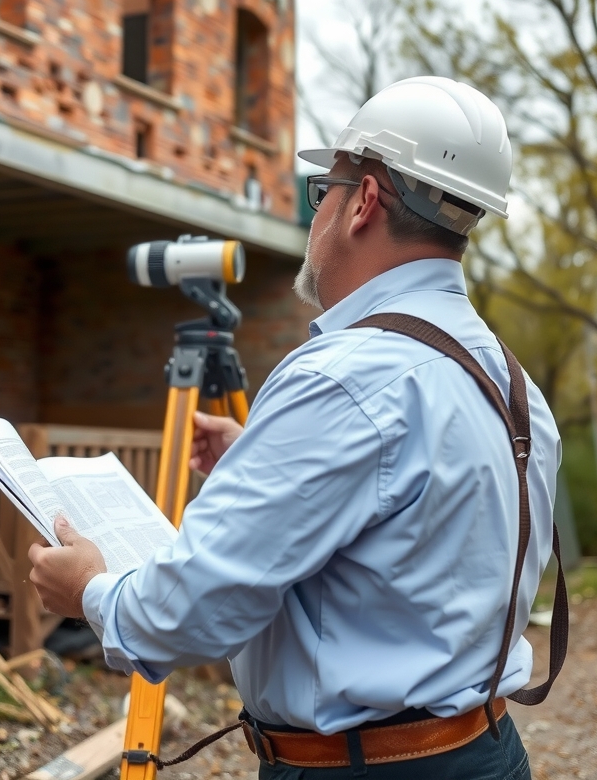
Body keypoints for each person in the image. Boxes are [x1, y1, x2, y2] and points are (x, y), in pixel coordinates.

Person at [30, 77, 561, 779]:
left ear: (363, 201)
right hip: (486, 754)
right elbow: (418, 544)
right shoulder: (510, 382)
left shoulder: (340, 378)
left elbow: (185, 615)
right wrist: (264, 462)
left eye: (322, 190)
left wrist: (91, 591)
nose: (314, 214)